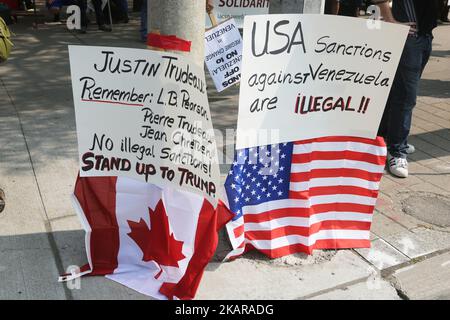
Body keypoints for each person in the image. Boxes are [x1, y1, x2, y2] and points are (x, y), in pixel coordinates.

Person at [374, 0, 438, 178]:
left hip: (424, 36)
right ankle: (396, 151)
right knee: (406, 97)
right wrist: (391, 21)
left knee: (398, 92)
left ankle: (387, 138)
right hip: (410, 37)